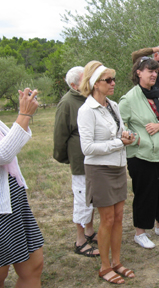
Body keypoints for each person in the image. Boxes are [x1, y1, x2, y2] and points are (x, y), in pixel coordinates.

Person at [77, 61, 135, 284]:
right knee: (107, 219)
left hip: (118, 167)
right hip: (99, 170)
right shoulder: (86, 111)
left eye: (113, 79)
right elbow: (87, 148)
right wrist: (117, 143)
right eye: (107, 80)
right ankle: (104, 266)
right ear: (94, 84)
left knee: (119, 217)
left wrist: (126, 137)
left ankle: (117, 262)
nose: (113, 83)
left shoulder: (112, 105)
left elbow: (119, 132)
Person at [119, 57, 159, 250]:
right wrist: (136, 138)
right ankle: (140, 233)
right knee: (145, 194)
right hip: (141, 155)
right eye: (149, 71)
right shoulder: (129, 99)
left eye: (156, 71)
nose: (154, 75)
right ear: (138, 72)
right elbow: (121, 126)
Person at [53, 66, 99, 258]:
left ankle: (89, 231)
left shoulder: (89, 98)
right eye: (84, 78)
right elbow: (60, 135)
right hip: (80, 160)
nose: (89, 80)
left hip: (95, 158)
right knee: (82, 200)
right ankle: (80, 241)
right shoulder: (68, 103)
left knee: (93, 198)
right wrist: (67, 158)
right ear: (74, 84)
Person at [0, 88, 44, 288]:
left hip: (12, 199)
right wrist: (24, 115)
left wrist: (24, 115)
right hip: (2, 208)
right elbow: (3, 154)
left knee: (33, 265)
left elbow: (11, 141)